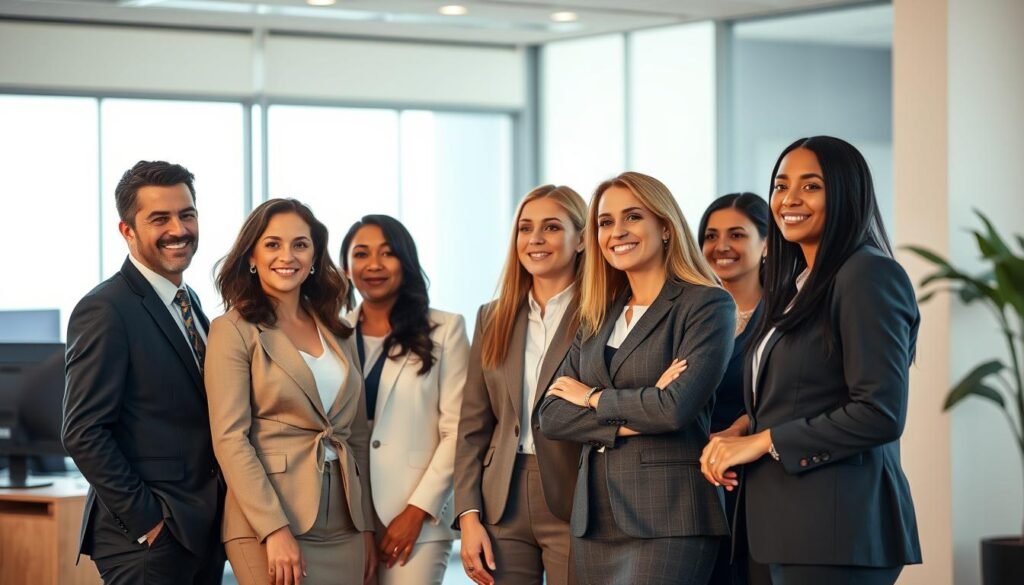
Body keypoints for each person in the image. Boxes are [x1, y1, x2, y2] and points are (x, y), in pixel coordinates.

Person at [700, 136, 922, 585]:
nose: (789, 199)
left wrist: (762, 441)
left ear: (845, 193)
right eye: (781, 186)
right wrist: (744, 426)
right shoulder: (798, 285)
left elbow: (879, 412)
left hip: (835, 527)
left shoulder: (867, 274)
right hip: (779, 525)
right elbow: (808, 391)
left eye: (811, 186)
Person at [539, 171, 735, 585]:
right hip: (595, 519)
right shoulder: (598, 313)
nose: (617, 232)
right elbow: (552, 416)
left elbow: (674, 410)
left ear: (665, 226)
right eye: (605, 222)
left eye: (632, 217)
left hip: (669, 515)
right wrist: (641, 409)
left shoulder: (706, 305)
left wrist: (591, 397)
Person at [62, 160, 225, 584]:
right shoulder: (106, 309)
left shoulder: (191, 304)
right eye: (160, 218)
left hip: (200, 530)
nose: (179, 228)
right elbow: (83, 430)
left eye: (186, 214)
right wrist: (149, 522)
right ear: (127, 231)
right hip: (148, 540)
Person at [204, 198, 376, 585]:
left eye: (300, 244)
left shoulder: (336, 328)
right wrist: (274, 529)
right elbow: (230, 439)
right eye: (273, 244)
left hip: (345, 519)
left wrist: (365, 523)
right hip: (270, 517)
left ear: (315, 255)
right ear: (251, 256)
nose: (288, 255)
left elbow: (356, 436)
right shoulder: (232, 330)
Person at [453, 185, 587, 585]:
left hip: (575, 494)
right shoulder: (492, 317)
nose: (535, 240)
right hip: (502, 499)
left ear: (581, 239)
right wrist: (469, 515)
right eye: (525, 228)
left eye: (551, 227)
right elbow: (472, 427)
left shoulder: (602, 313)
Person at [339, 215, 470, 585]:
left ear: (406, 262)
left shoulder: (446, 329)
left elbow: (457, 430)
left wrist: (417, 511)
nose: (374, 265)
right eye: (361, 254)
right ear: (346, 268)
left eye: (388, 253)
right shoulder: (330, 335)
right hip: (345, 518)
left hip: (417, 516)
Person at [696, 193, 770, 585]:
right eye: (710, 235)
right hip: (697, 480)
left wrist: (743, 427)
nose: (721, 246)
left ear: (767, 243)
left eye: (736, 234)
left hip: (761, 481)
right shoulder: (689, 314)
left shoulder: (786, 315)